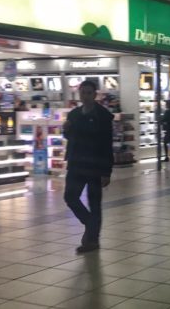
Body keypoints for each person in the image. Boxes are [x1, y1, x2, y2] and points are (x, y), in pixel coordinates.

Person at [63, 80, 114, 253]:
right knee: (70, 197)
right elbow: (71, 137)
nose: (85, 96)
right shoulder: (74, 114)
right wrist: (66, 130)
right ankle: (90, 224)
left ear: (95, 94)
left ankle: (92, 240)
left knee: (95, 203)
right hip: (76, 164)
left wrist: (107, 171)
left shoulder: (103, 116)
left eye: (88, 93)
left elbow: (107, 145)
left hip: (95, 166)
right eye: (82, 93)